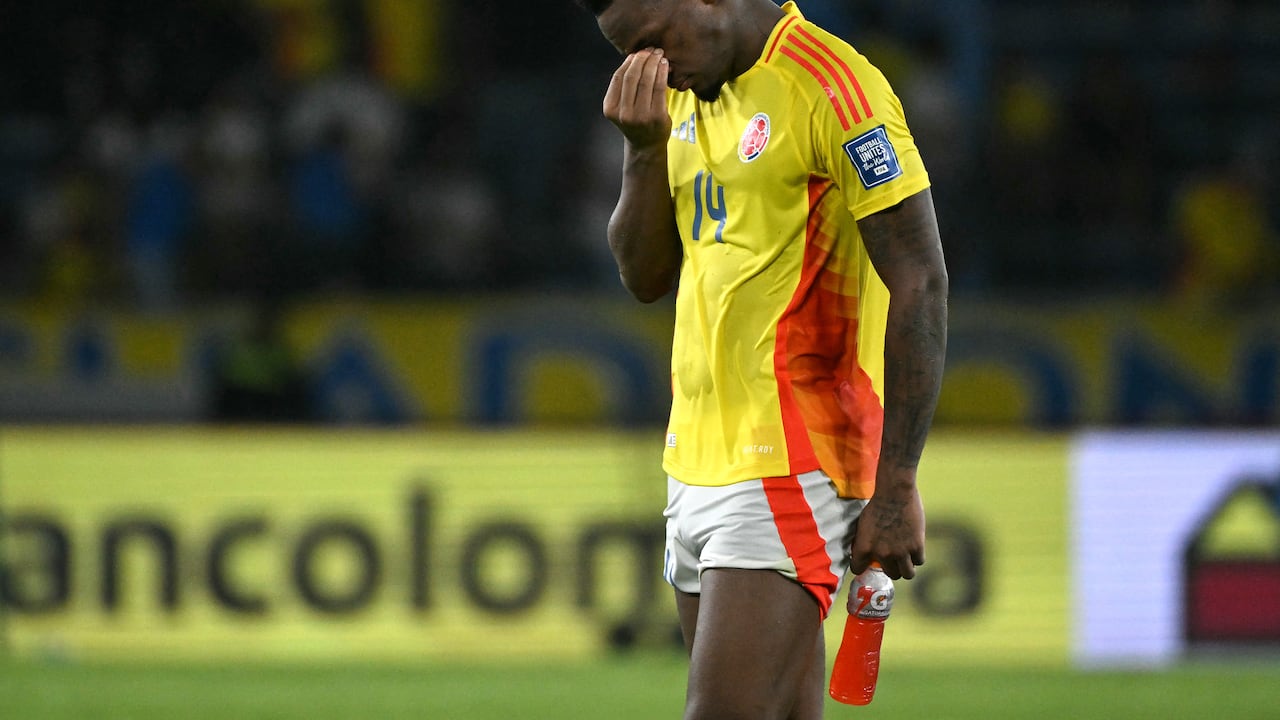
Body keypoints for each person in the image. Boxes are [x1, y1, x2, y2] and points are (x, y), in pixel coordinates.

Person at [575, 1, 948, 718]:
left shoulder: (833, 85)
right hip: (693, 457)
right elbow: (645, 276)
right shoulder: (683, 99)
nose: (650, 69)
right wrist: (644, 150)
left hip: (791, 456)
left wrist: (897, 484)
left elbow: (920, 281)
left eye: (654, 42)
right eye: (629, 53)